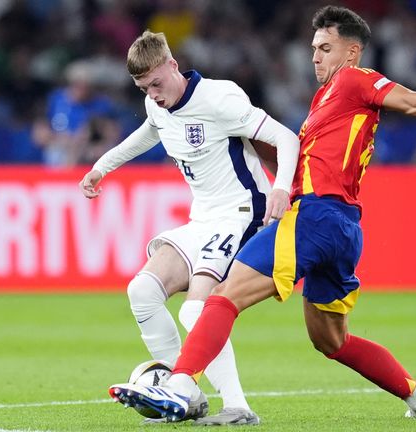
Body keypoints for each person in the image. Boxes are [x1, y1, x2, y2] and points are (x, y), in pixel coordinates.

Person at [109, 5, 416, 421]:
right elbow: (299, 156)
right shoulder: (326, 102)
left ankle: (181, 386)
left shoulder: (354, 80)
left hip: (315, 216)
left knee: (221, 297)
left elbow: (411, 102)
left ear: (352, 52)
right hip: (343, 228)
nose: (315, 56)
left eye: (326, 47)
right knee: (332, 341)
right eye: (313, 48)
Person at [82, 30, 300, 425]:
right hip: (203, 219)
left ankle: (238, 406)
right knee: (142, 290)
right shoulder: (157, 106)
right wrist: (101, 169)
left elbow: (286, 138)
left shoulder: (219, 98)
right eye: (143, 88)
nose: (153, 95)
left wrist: (281, 188)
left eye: (157, 84)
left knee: (196, 309)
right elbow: (144, 135)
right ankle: (185, 394)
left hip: (241, 213)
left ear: (172, 65)